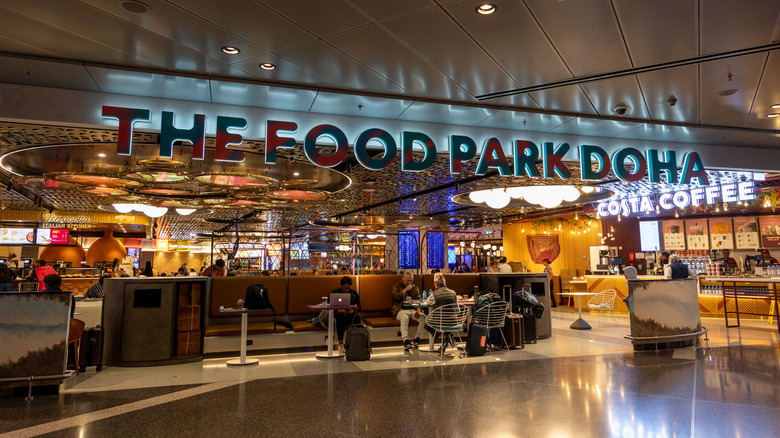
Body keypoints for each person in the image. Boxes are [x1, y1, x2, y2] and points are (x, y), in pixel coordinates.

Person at [390, 272, 428, 351]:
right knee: (404, 317)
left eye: (411, 281)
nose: (409, 283)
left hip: (412, 310)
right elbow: (396, 296)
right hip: (400, 310)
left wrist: (418, 311)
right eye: (408, 280)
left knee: (424, 318)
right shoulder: (396, 286)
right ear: (403, 278)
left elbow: (419, 301)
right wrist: (406, 289)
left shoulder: (415, 288)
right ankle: (406, 341)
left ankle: (417, 339)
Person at [422, 272, 458, 352]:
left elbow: (427, 303)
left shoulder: (434, 295)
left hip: (440, 322)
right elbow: (457, 310)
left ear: (435, 284)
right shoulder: (453, 293)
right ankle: (447, 336)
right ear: (445, 282)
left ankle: (446, 336)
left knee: (427, 323)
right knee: (444, 321)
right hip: (453, 322)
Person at [331, 276, 361, 354]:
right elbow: (330, 307)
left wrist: (353, 311)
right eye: (344, 288)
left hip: (350, 315)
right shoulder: (335, 293)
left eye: (348, 288)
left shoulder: (354, 294)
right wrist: (339, 311)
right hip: (339, 315)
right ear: (341, 286)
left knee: (357, 318)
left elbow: (359, 308)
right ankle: (340, 343)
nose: (346, 291)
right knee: (339, 317)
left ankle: (354, 341)